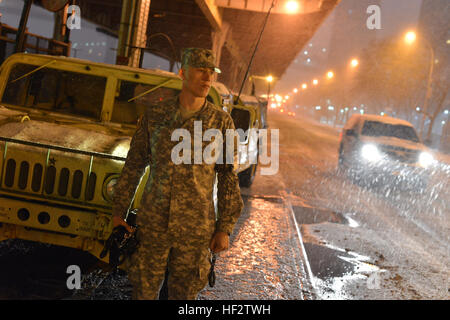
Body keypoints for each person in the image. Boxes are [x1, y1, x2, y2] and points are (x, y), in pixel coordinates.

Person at [111, 48, 244, 300]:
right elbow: (134, 165)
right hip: (153, 226)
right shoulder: (156, 115)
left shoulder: (221, 122)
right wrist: (119, 212)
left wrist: (224, 227)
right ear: (182, 73)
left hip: (195, 230)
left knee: (184, 296)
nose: (207, 79)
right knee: (143, 293)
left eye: (211, 73)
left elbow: (227, 175)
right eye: (200, 71)